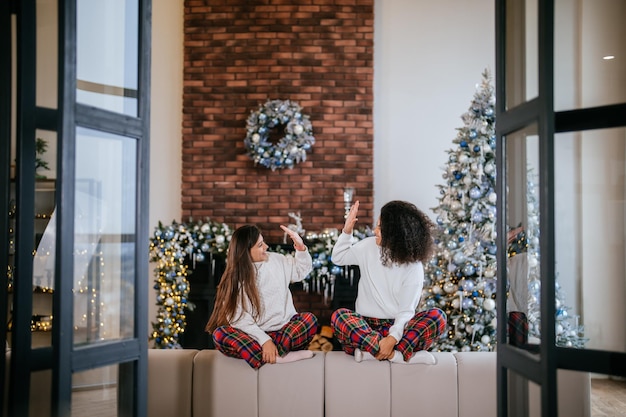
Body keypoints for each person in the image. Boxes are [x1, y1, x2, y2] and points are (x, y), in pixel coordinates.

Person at [330, 200, 447, 364]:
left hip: (398, 328)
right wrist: (347, 230)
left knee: (437, 316)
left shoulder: (414, 267)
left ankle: (374, 353)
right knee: (340, 316)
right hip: (366, 328)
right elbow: (338, 258)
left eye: (380, 227)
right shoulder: (367, 247)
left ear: (394, 233)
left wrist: (392, 339)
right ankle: (399, 356)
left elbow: (406, 313)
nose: (374, 230)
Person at [205, 224, 318, 369]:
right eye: (260, 245)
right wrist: (264, 341)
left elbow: (301, 270)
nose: (266, 246)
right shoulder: (235, 280)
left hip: (283, 333)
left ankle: (267, 355)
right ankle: (280, 357)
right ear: (246, 252)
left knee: (309, 320)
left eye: (263, 242)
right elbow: (238, 319)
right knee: (220, 334)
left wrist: (301, 248)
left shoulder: (278, 260)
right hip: (254, 337)